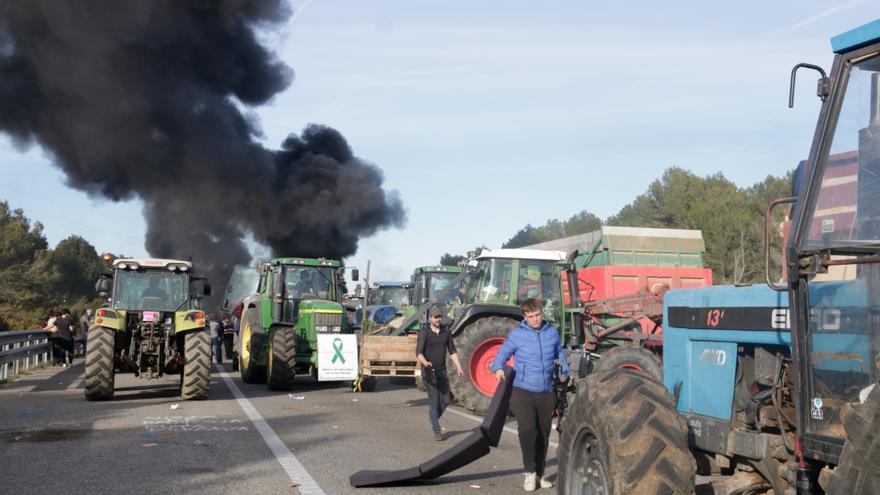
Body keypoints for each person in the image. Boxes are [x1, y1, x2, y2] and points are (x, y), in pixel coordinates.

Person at [491, 298, 568, 492]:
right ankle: (529, 473)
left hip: (547, 391)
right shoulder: (518, 335)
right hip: (522, 390)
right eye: (531, 316)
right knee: (527, 431)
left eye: (538, 315)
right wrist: (498, 367)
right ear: (525, 316)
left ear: (542, 313)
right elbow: (502, 353)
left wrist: (566, 369)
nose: (535, 319)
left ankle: (541, 474)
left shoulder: (552, 333)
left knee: (543, 433)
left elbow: (560, 354)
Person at [416, 306, 464, 441]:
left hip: (441, 370)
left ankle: (433, 417)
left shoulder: (446, 331)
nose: (438, 319)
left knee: (446, 399)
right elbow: (418, 352)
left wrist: (459, 367)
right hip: (428, 371)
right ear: (430, 318)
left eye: (439, 317)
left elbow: (452, 351)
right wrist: (425, 363)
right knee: (434, 400)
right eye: (435, 317)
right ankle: (437, 429)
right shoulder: (424, 332)